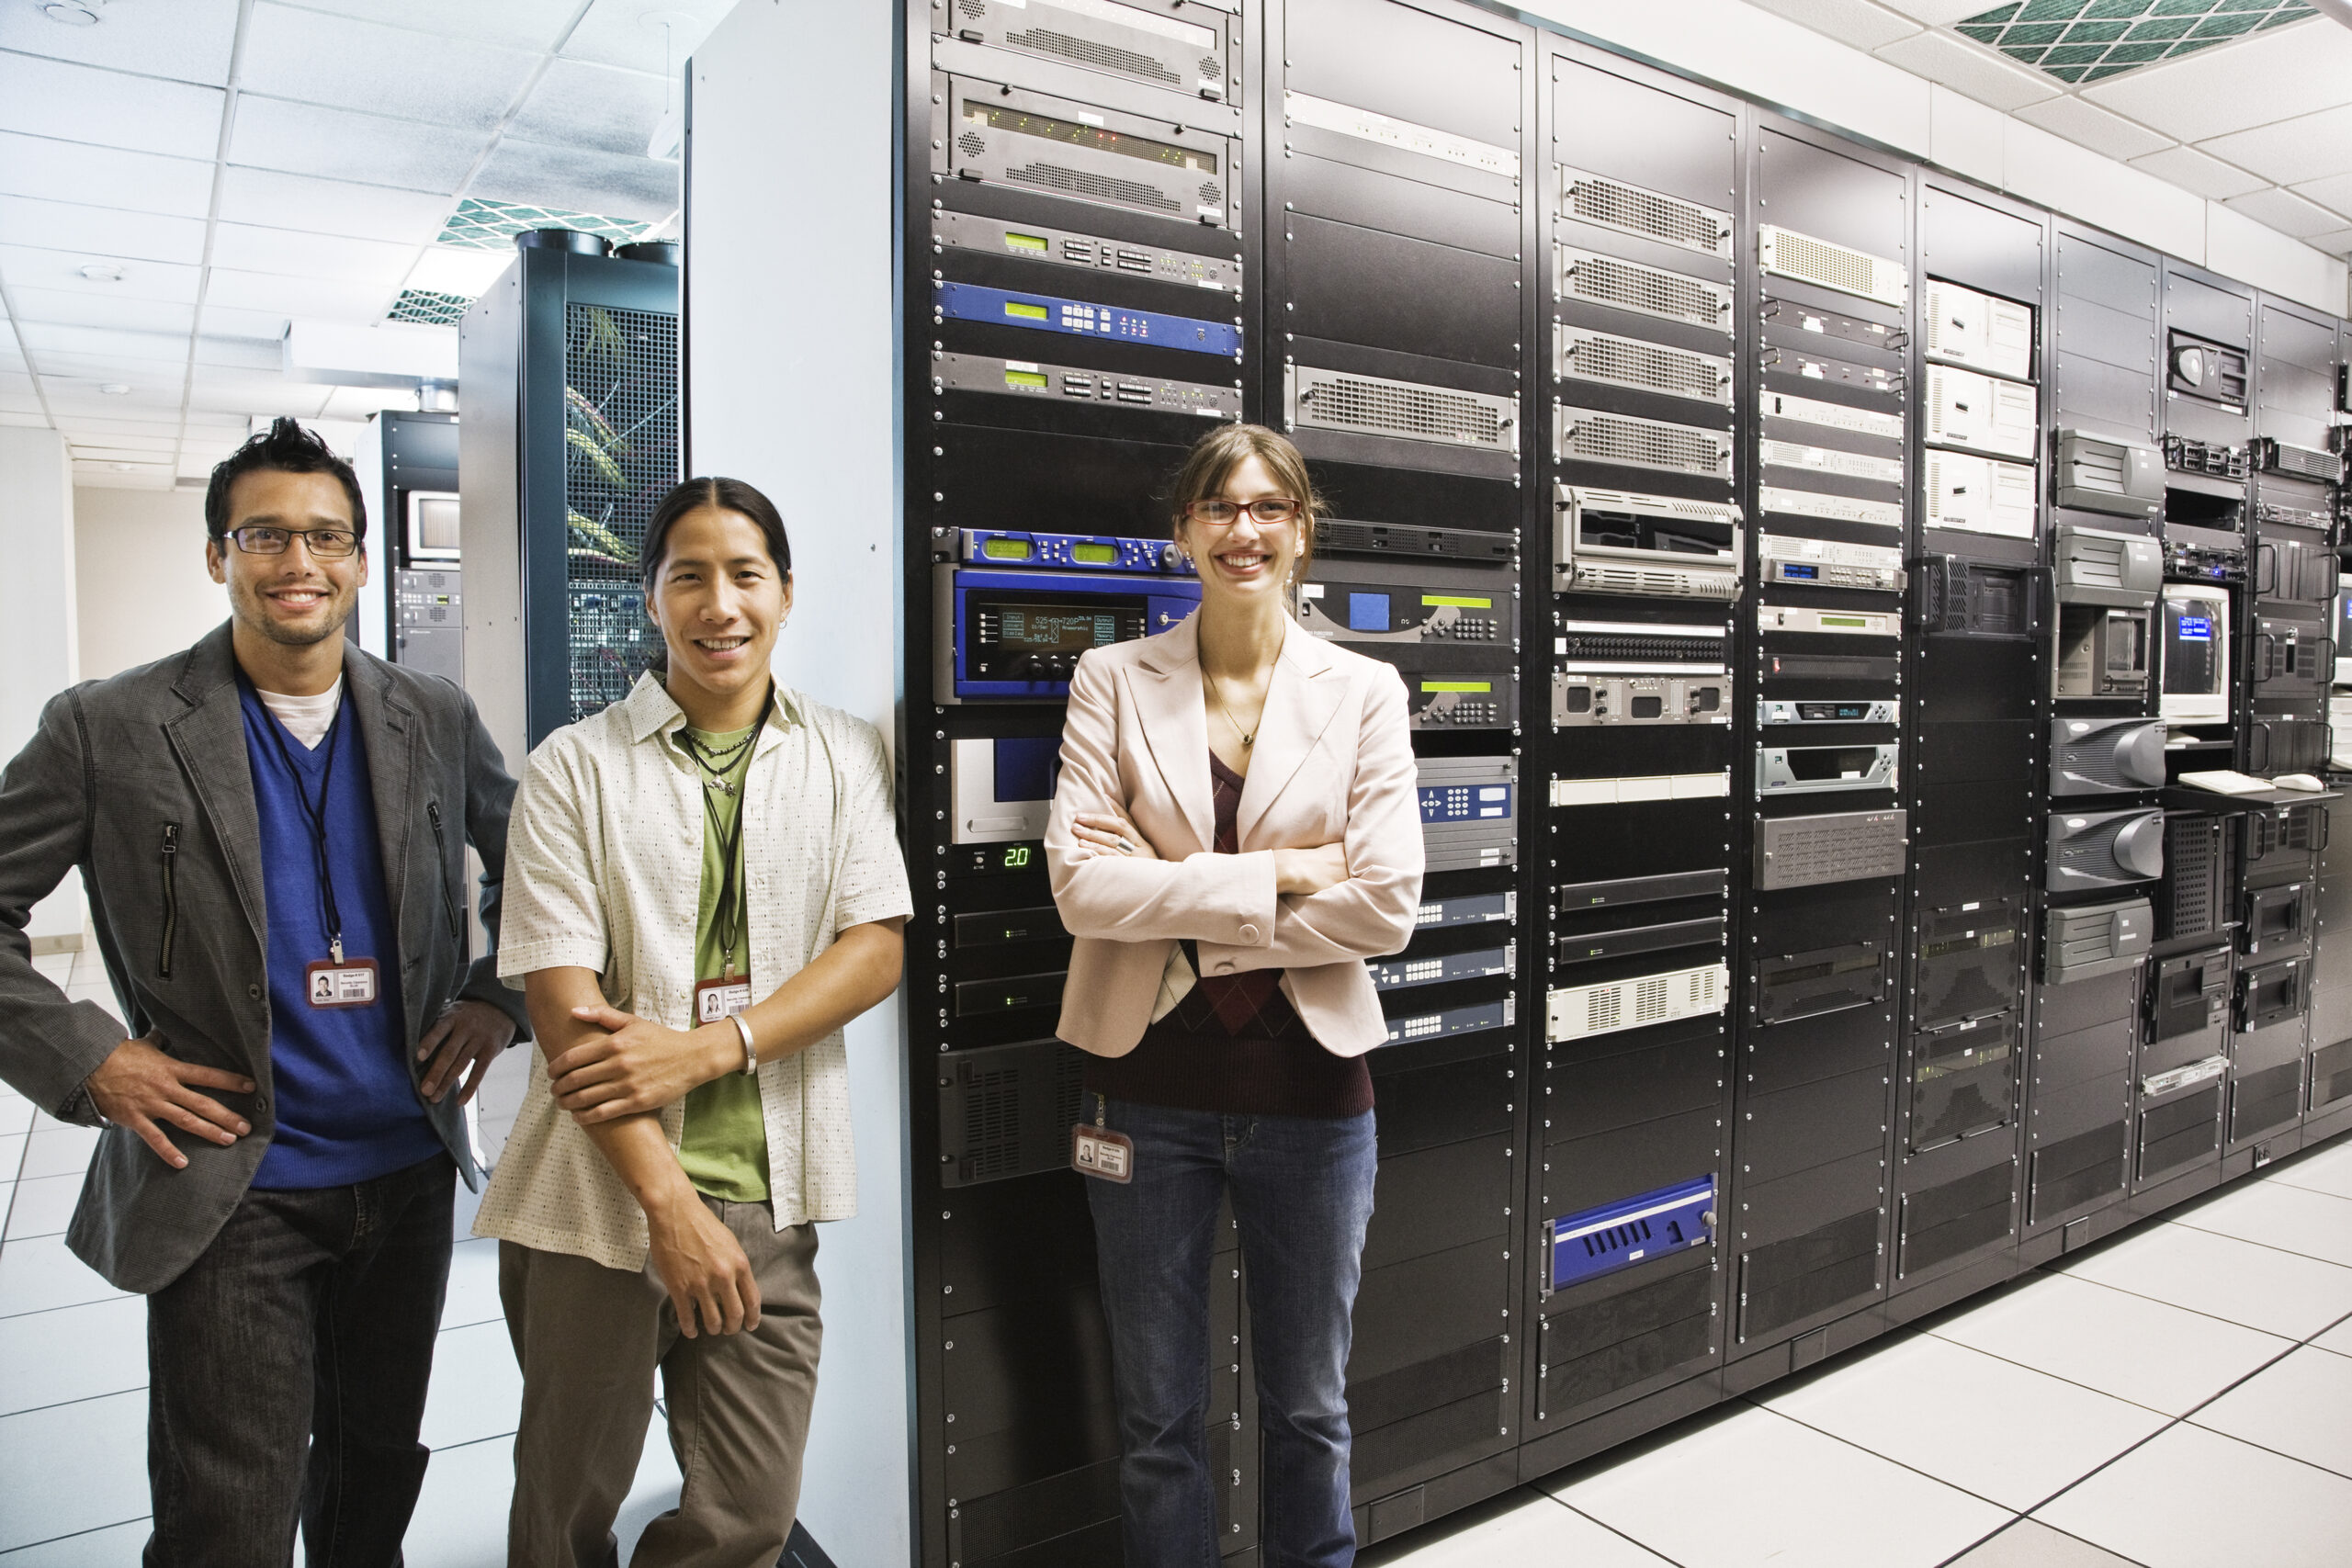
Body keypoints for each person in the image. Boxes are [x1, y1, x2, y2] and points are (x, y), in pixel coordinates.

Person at [0, 417, 528, 1566]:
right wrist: (91, 1055)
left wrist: (501, 996)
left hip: (403, 1174)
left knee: (375, 1476)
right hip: (236, 1177)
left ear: (358, 557)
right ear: (218, 554)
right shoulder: (112, 726)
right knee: (225, 1518)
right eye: (266, 535)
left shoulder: (429, 716)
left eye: (326, 537)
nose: (300, 563)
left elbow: (547, 875)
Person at [477, 476, 910, 1566]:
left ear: (786, 592)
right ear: (652, 601)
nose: (720, 604)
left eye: (744, 575)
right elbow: (564, 1012)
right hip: (600, 1201)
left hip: (768, 1190)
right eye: (689, 578)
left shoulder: (845, 753)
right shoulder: (573, 768)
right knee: (566, 1510)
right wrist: (668, 1212)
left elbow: (876, 947)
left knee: (749, 1515)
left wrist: (716, 1047)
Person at [1046, 423, 1426, 1566]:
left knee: (1309, 1410)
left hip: (1312, 1096)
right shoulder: (1112, 680)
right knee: (1157, 1418)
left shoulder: (1363, 691)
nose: (1242, 530)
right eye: (1218, 508)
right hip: (1140, 1093)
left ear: (1302, 532)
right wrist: (1280, 874)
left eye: (1267, 508)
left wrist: (1170, 897)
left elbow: (1387, 906)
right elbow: (1078, 888)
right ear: (1182, 533)